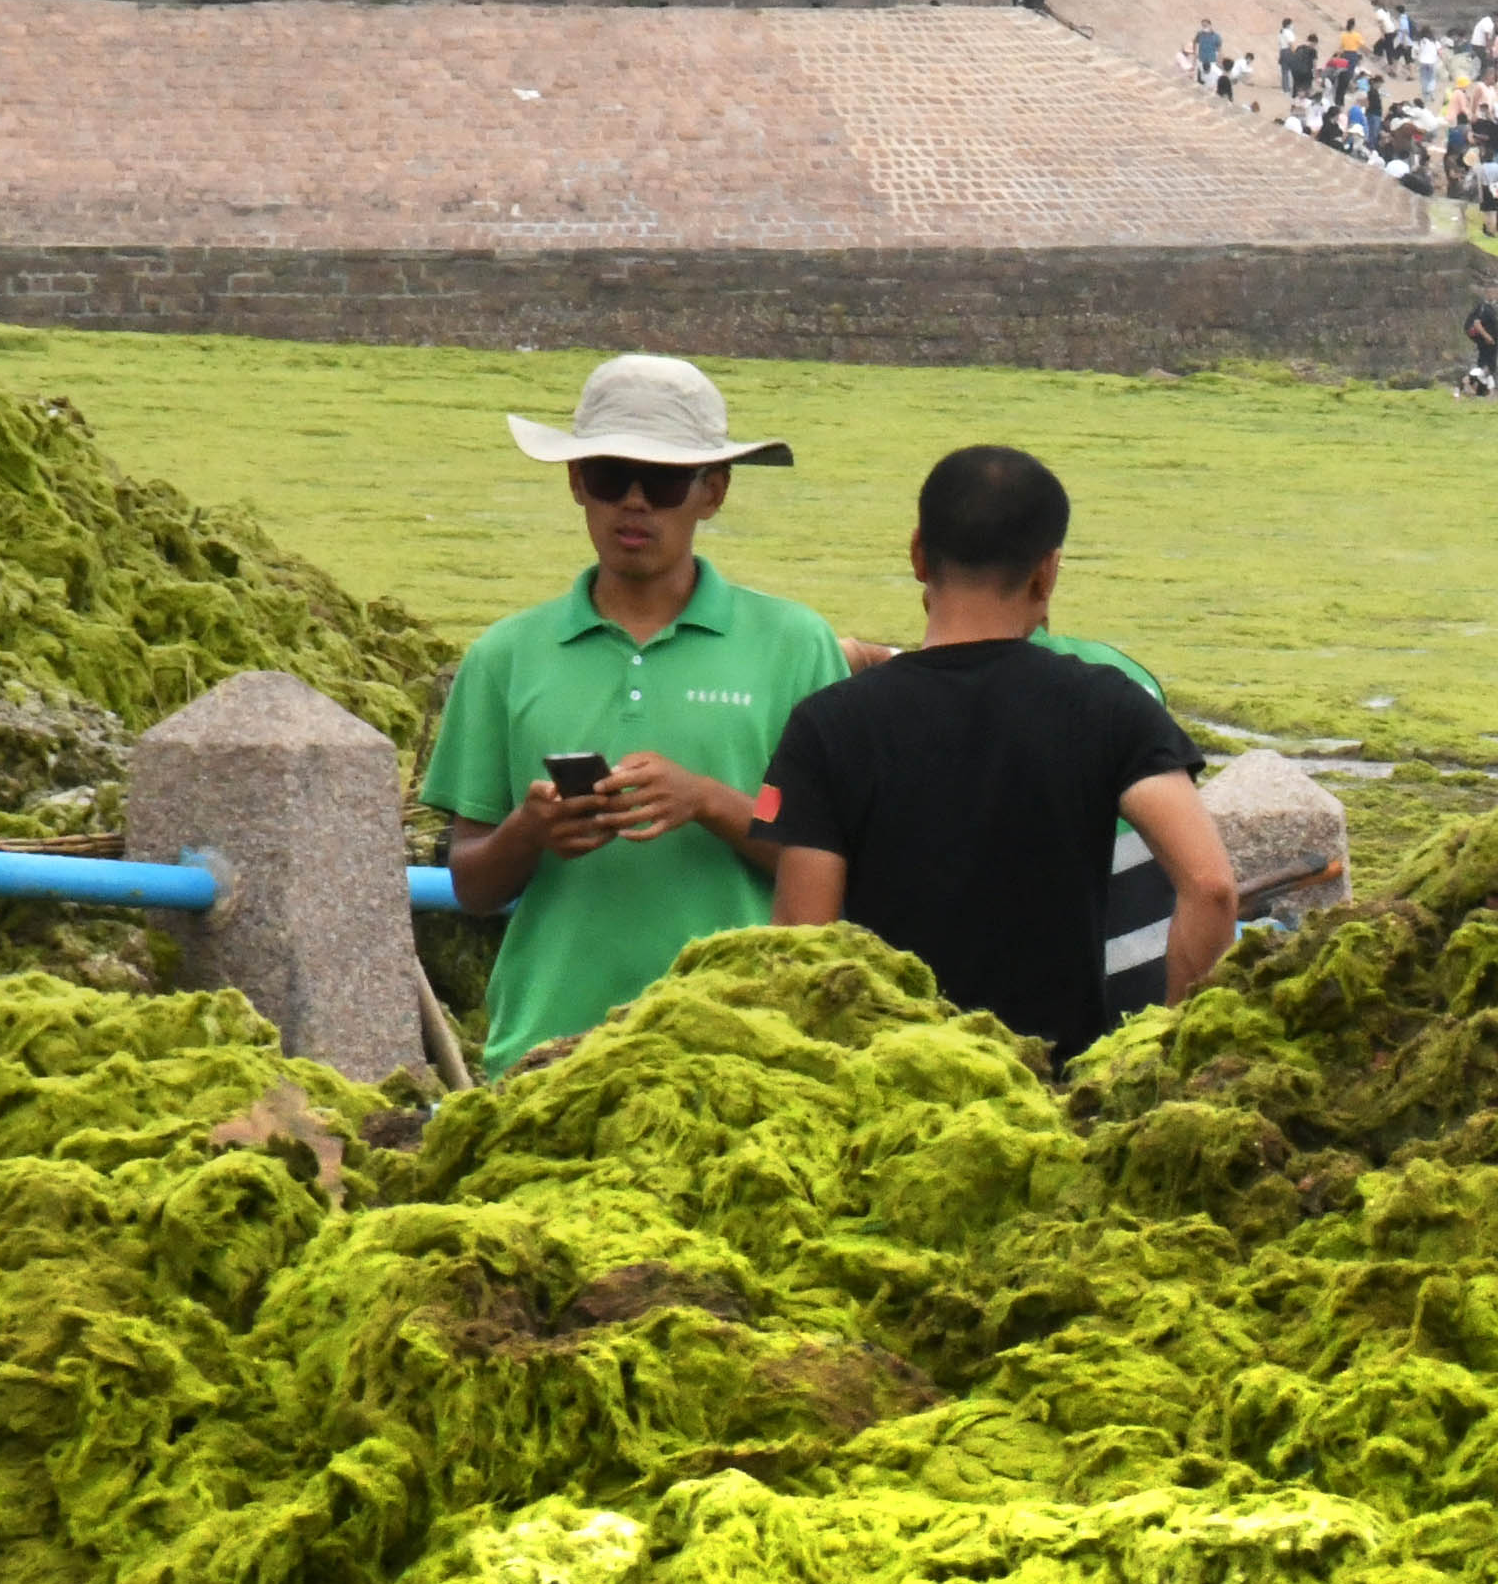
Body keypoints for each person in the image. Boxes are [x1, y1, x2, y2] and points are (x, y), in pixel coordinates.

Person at [421, 354, 850, 1073]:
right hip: (546, 1049)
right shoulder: (504, 655)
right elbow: (472, 883)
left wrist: (707, 800)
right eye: (610, 476)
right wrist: (531, 829)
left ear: (711, 492)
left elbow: (837, 863)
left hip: (741, 1049)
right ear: (576, 484)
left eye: (663, 480)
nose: (635, 503)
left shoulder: (795, 646)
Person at [764, 446, 1236, 1057]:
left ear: (916, 554)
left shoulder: (829, 722)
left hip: (889, 1088)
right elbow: (1213, 887)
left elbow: (805, 945)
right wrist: (1169, 1055)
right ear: (1047, 571)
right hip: (1053, 1097)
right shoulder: (1108, 705)